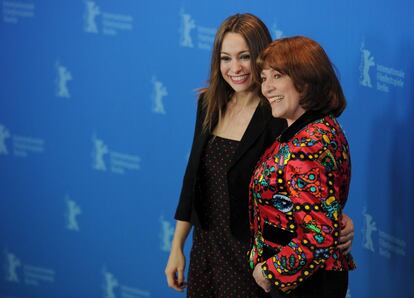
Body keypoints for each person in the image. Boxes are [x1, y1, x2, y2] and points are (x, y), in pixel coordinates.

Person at [165, 14, 354, 298]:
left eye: (244, 56)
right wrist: (177, 245)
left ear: (261, 55)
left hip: (252, 253)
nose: (235, 68)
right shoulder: (209, 103)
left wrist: (338, 218)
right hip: (207, 245)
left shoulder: (279, 110)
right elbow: (193, 176)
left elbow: (306, 182)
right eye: (225, 58)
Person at [249, 36, 356, 298]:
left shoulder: (308, 145)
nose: (267, 88)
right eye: (264, 78)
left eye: (277, 76)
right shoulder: (315, 128)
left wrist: (270, 271)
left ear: (306, 80)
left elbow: (320, 235)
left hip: (304, 284)